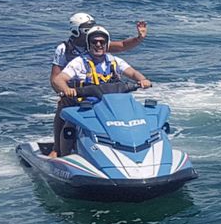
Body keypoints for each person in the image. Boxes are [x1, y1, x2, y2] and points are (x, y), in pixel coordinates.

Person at [49, 25, 152, 155]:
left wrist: (143, 80)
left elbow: (132, 73)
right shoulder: (79, 62)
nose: (98, 45)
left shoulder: (114, 61)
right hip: (86, 106)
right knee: (70, 125)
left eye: (102, 42)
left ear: (107, 44)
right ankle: (63, 155)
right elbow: (59, 79)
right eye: (94, 42)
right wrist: (67, 89)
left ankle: (134, 148)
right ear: (89, 44)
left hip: (112, 105)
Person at [50, 12, 146, 89]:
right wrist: (65, 91)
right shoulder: (66, 50)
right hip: (77, 90)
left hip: (102, 89)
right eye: (86, 30)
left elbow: (122, 45)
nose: (98, 45)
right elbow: (55, 78)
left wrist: (139, 38)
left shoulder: (101, 48)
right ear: (75, 31)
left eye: (102, 42)